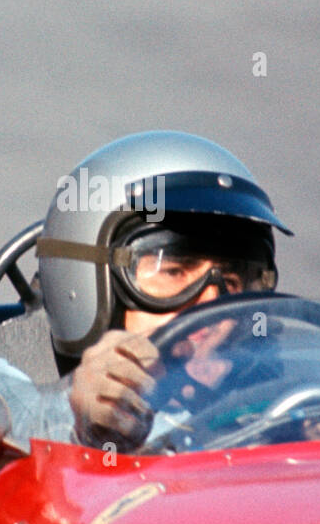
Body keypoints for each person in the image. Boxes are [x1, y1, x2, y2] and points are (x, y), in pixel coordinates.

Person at [26, 130, 292, 450]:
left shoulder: (291, 394)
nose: (211, 302)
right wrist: (81, 430)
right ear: (89, 285)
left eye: (232, 281)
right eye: (174, 272)